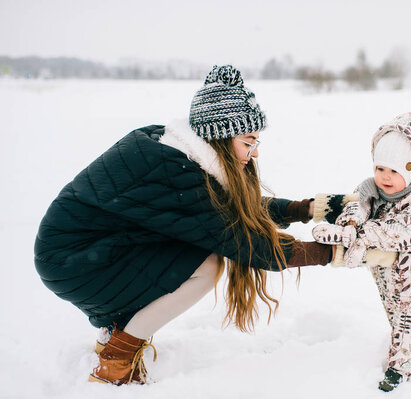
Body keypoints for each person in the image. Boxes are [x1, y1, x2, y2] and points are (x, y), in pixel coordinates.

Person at [33, 65, 334, 386]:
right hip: (74, 261)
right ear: (219, 138)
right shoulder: (177, 172)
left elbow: (229, 212)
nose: (255, 152)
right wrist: (332, 253)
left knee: (193, 252)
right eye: (249, 142)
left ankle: (116, 334)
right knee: (207, 265)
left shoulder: (175, 149)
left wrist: (305, 209)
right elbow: (244, 242)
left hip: (87, 250)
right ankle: (117, 358)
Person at [312, 112, 411, 392]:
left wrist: (361, 236)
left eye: (396, 171)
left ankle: (401, 368)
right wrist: (350, 224)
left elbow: (404, 231)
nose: (385, 177)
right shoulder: (373, 189)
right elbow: (357, 203)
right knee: (395, 312)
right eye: (380, 168)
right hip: (388, 270)